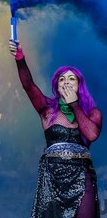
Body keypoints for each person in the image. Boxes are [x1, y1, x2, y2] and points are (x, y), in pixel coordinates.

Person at [9, 40, 102, 218]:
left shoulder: (92, 112)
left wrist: (74, 104)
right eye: (62, 79)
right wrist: (20, 58)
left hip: (81, 175)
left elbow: (91, 134)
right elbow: (28, 85)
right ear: (57, 86)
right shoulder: (46, 109)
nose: (66, 82)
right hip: (52, 176)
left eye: (71, 78)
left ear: (79, 85)